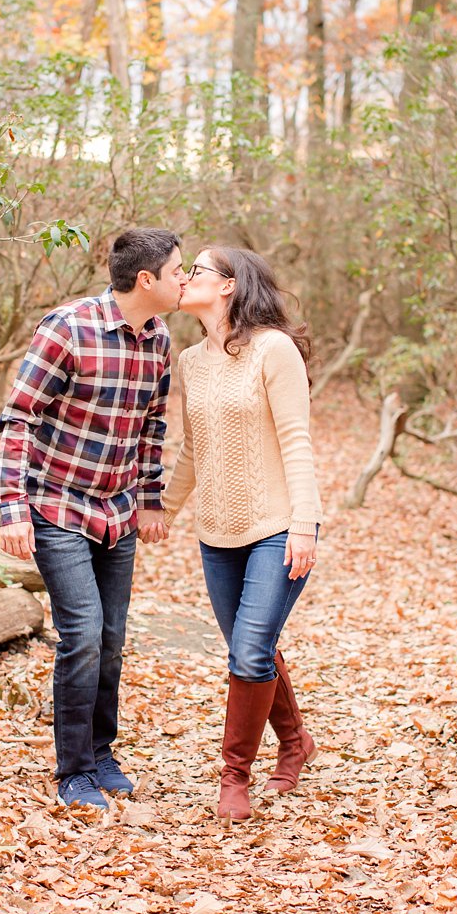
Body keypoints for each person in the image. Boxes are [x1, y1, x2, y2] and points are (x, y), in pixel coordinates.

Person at [0, 227, 185, 809]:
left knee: (110, 639)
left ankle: (102, 753)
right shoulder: (68, 328)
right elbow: (17, 419)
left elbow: (153, 424)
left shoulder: (157, 338)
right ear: (146, 279)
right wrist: (13, 510)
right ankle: (73, 770)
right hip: (58, 505)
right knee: (80, 634)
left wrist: (151, 498)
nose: (186, 280)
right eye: (179, 270)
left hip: (119, 511)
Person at [161, 245, 321, 823]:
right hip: (217, 532)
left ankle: (235, 778)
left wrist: (303, 524)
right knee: (250, 649)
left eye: (196, 271)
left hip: (277, 526)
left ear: (228, 286)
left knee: (249, 651)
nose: (185, 280)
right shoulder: (191, 362)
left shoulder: (272, 351)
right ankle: (296, 740)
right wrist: (165, 511)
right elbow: (193, 450)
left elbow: (297, 440)